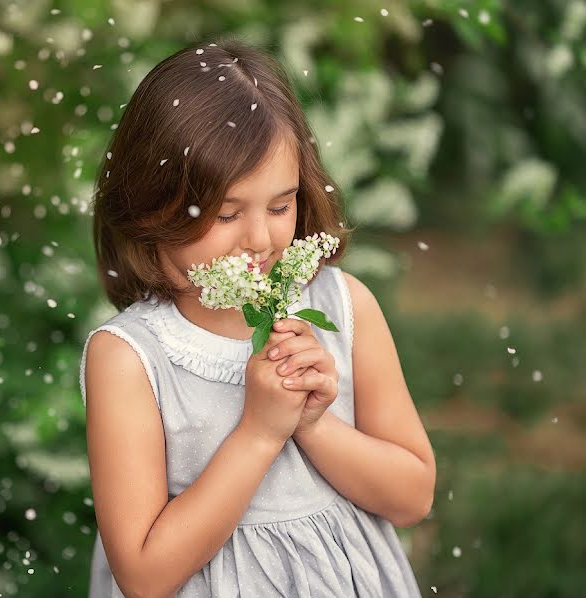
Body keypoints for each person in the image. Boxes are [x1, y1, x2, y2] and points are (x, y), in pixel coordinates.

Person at [79, 36, 436, 598]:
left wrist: (314, 425)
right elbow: (144, 576)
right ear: (153, 207)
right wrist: (259, 433)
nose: (260, 237)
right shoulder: (130, 358)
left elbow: (413, 496)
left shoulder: (345, 306)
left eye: (280, 205)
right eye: (225, 213)